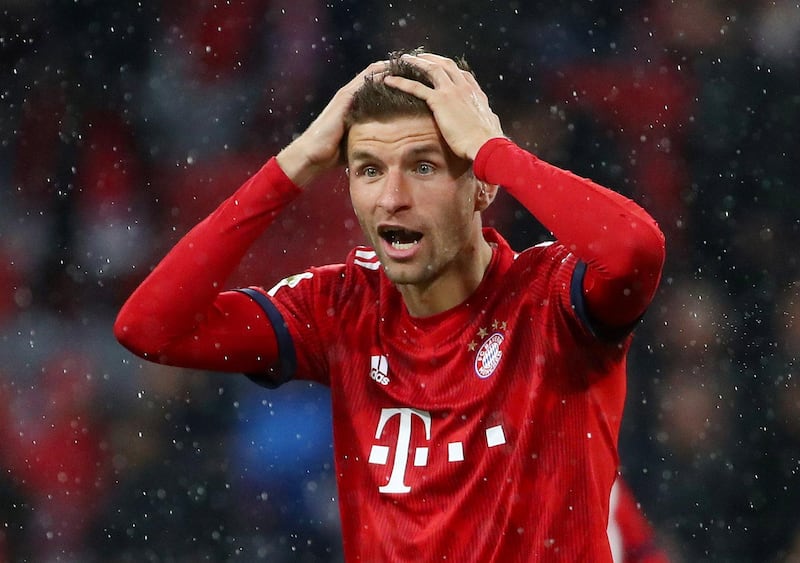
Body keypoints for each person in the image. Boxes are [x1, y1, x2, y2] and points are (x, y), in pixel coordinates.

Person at [115, 49, 666, 561]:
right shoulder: (339, 305)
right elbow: (149, 328)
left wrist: (495, 151)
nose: (391, 197)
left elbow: (634, 248)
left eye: (423, 166)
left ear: (481, 186)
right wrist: (297, 162)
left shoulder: (549, 300)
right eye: (369, 170)